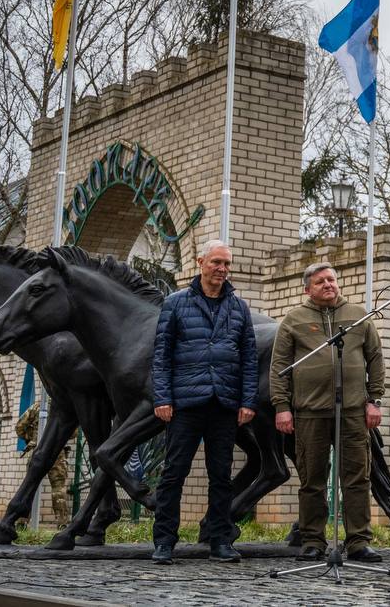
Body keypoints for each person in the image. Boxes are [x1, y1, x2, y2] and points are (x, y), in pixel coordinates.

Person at [150, 240, 258, 565]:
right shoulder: (175, 303)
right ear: (201, 263)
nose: (222, 269)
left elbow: (249, 358)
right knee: (174, 473)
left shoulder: (239, 307)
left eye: (226, 264)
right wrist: (162, 397)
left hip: (224, 403)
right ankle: (164, 541)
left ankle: (220, 540)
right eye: (216, 262)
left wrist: (247, 401)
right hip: (185, 403)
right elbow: (161, 355)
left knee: (221, 476)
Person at [270, 263, 385, 563]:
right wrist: (282, 407)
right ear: (307, 289)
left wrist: (374, 400)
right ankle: (313, 541)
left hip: (353, 411)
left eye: (332, 279)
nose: (328, 284)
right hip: (310, 412)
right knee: (312, 479)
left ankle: (358, 541)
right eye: (320, 281)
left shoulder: (358, 315)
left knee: (357, 478)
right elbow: (279, 366)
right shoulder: (294, 319)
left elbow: (375, 358)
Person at [14, 403, 71, 526]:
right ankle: (62, 523)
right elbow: (73, 432)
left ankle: (22, 521)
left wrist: (32, 438)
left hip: (38, 449)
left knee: (30, 486)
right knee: (59, 488)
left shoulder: (37, 407)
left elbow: (19, 427)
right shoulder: (65, 406)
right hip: (57, 451)